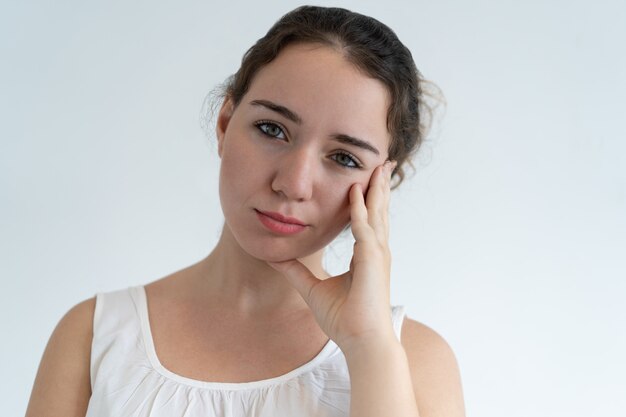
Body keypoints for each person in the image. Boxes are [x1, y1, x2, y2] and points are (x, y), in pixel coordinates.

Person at [25, 5, 465, 417]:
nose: (292, 183)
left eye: (344, 158)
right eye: (272, 129)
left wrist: (369, 347)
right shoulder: (95, 335)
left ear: (380, 186)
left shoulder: (415, 360)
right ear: (224, 123)